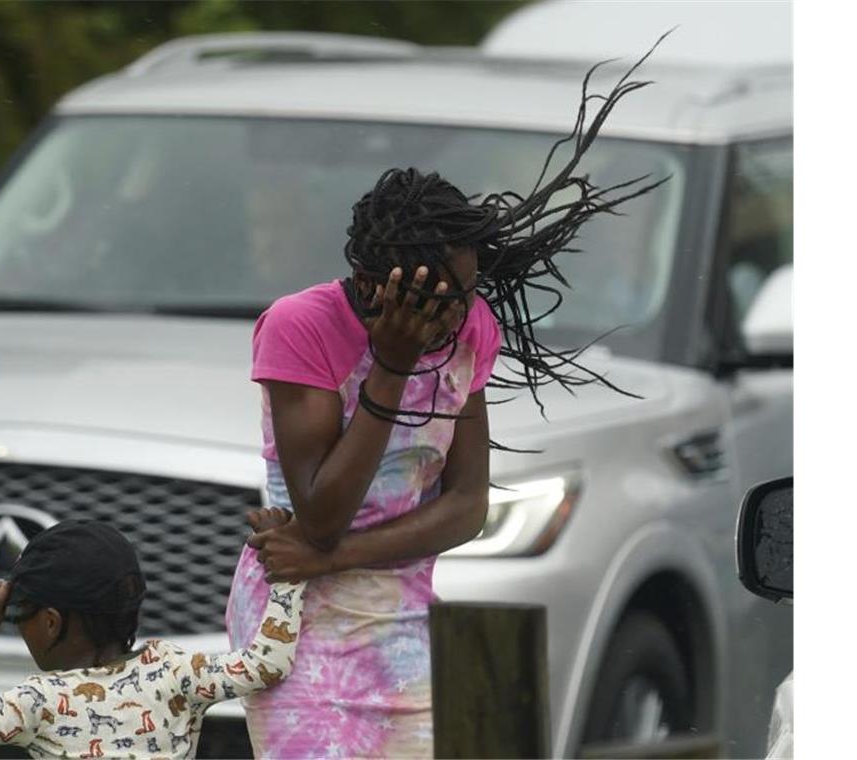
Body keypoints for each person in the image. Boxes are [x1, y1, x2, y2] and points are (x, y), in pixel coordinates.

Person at [225, 39, 672, 759]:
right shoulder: (301, 327)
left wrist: (334, 559)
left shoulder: (472, 330)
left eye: (469, 291)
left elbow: (465, 506)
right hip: (295, 628)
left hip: (398, 623)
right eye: (444, 298)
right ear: (375, 284)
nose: (464, 313)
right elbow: (321, 512)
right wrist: (391, 371)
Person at [0, 516, 305, 759]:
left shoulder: (38, 702)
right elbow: (268, 663)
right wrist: (288, 573)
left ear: (51, 622)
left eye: (19, 614)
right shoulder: (173, 671)